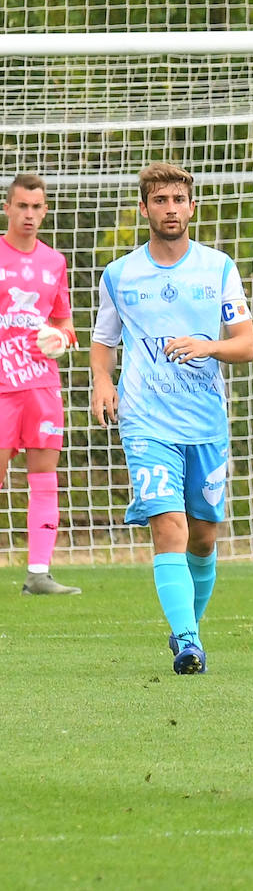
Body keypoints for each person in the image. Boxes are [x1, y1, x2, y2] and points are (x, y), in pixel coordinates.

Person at [90, 163, 253, 675]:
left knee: (204, 536)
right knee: (169, 527)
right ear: (144, 209)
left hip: (205, 421)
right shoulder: (119, 274)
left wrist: (208, 346)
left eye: (177, 199)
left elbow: (247, 345)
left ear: (191, 207)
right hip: (145, 420)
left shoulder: (219, 268)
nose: (169, 208)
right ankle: (188, 641)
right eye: (159, 200)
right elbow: (104, 342)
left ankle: (189, 629)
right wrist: (102, 382)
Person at [1, 174, 80, 595]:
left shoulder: (55, 262)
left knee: (44, 477)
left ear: (45, 210)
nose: (29, 214)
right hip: (1, 385)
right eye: (22, 206)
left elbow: (65, 324)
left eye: (37, 207)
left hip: (41, 386)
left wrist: (61, 339)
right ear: (8, 207)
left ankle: (38, 574)